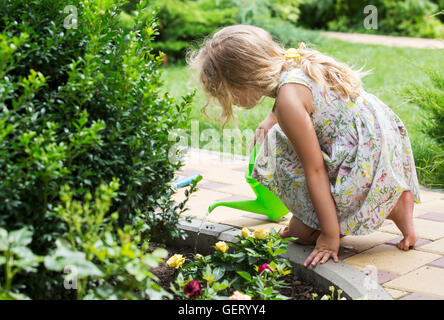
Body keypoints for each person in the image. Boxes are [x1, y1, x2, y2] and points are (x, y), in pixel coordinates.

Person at [186, 24, 422, 268]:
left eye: (228, 94)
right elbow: (297, 100)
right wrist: (270, 118)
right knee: (297, 224)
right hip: (381, 138)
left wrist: (329, 238)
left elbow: (315, 170)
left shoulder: (288, 101)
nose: (231, 102)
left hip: (362, 162)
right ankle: (396, 202)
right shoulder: (293, 63)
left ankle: (390, 203)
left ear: (244, 80)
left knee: (302, 235)